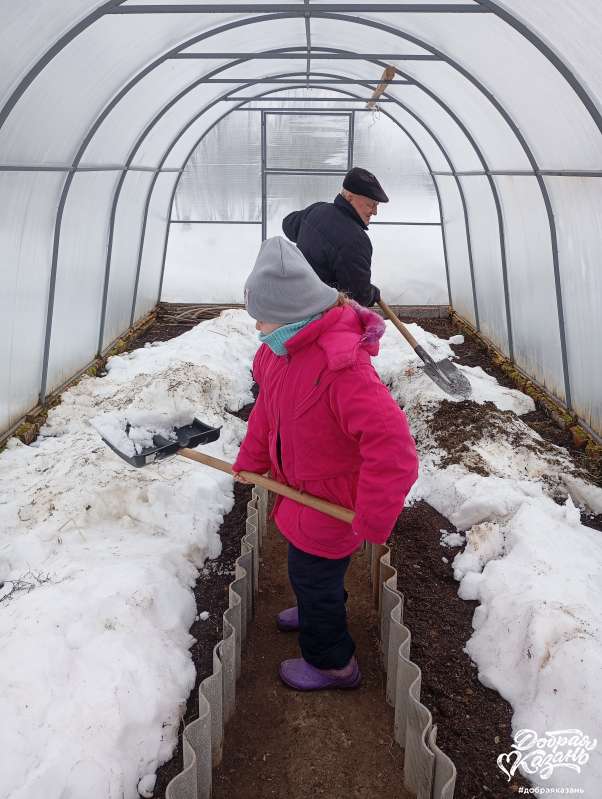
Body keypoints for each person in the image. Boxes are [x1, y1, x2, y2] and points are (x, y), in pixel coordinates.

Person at [232, 236, 418, 692]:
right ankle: (318, 604)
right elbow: (268, 412)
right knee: (309, 571)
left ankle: (333, 663)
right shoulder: (281, 353)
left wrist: (373, 517)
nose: (257, 326)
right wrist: (252, 461)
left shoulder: (342, 369)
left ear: (293, 312)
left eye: (263, 316)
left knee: (313, 576)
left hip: (331, 502)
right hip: (301, 493)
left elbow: (394, 448)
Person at [281, 166, 389, 307]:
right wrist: (373, 293)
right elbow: (358, 297)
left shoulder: (317, 209)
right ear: (350, 197)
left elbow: (288, 224)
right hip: (320, 313)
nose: (375, 212)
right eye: (371, 204)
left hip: (296, 299)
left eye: (377, 205)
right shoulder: (355, 240)